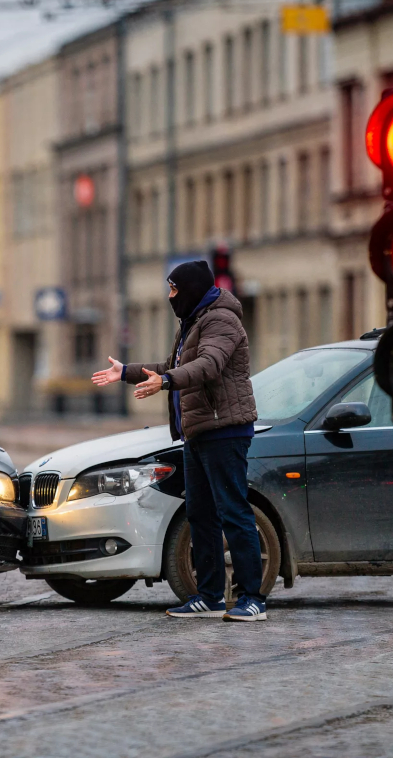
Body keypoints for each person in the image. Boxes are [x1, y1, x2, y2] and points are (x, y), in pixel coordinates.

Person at [91, 260, 265, 621]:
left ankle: (253, 599)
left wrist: (167, 381)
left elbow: (208, 365)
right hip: (198, 431)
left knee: (234, 512)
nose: (170, 296)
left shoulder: (221, 320)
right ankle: (210, 597)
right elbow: (171, 365)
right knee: (200, 515)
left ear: (191, 289)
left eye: (173, 289)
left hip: (224, 430)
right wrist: (126, 372)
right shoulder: (194, 321)